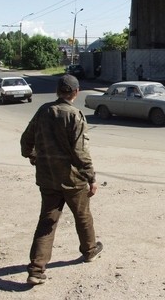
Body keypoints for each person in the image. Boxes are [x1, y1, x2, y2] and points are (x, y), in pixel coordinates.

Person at [20, 74, 103, 286]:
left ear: (58, 91)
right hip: (73, 179)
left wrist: (32, 156)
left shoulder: (43, 111)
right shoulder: (75, 115)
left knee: (47, 221)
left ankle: (36, 270)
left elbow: (26, 139)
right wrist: (91, 177)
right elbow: (80, 152)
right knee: (82, 216)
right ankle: (90, 250)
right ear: (76, 92)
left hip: (47, 178)